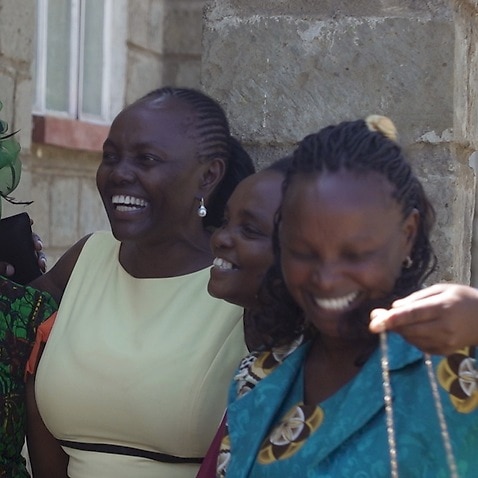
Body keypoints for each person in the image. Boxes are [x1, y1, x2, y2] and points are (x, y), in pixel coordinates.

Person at [217, 115, 478, 477]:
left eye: (355, 255)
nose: (325, 279)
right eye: (303, 252)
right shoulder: (261, 379)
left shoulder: (460, 363)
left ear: (407, 234)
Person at [25, 87, 256, 478]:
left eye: (146, 159)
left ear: (208, 175)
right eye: (110, 157)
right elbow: (15, 338)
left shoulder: (241, 285)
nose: (119, 174)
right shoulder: (86, 260)